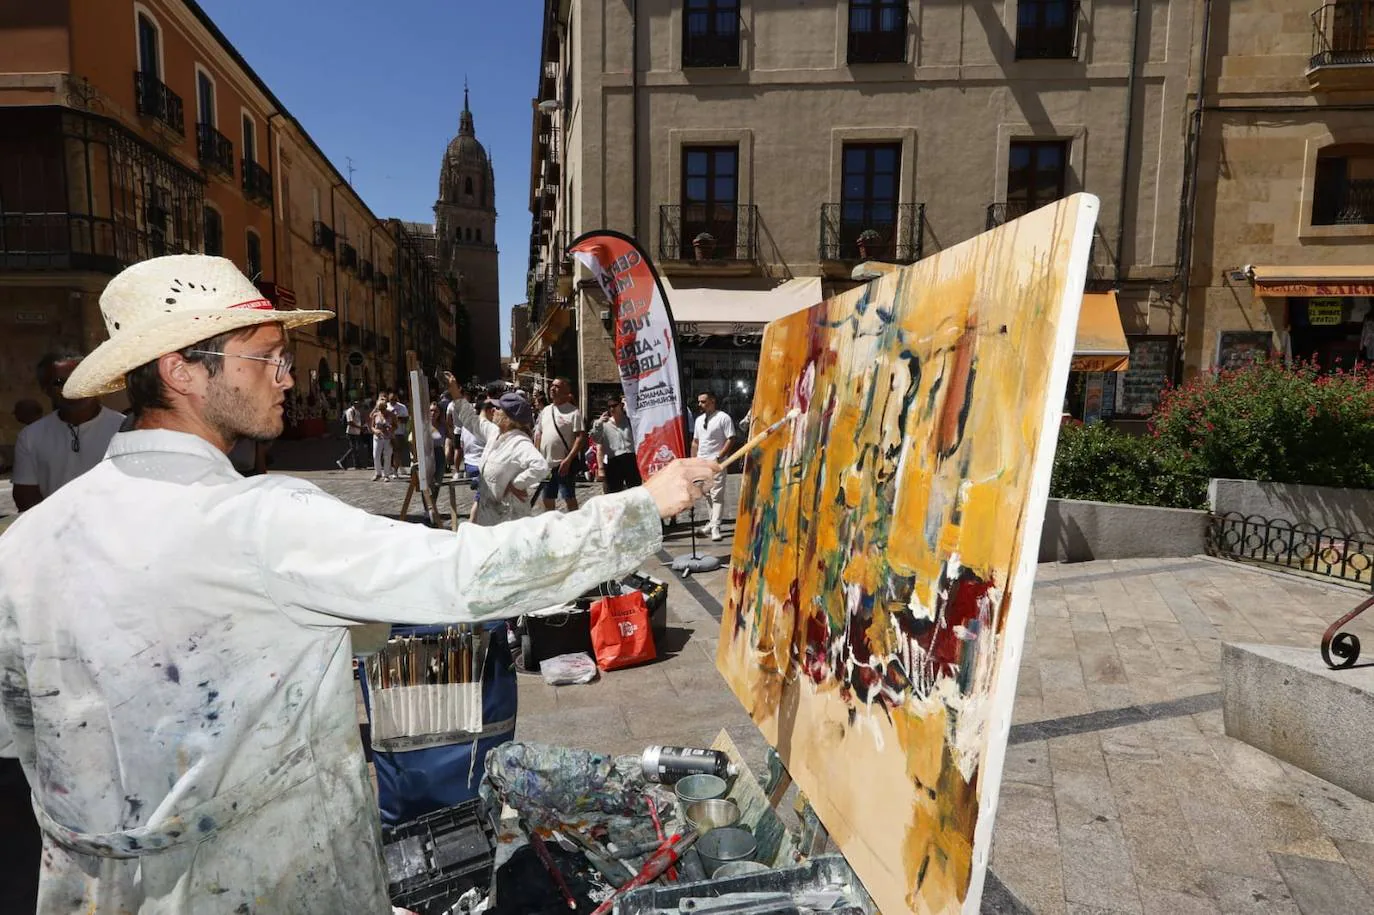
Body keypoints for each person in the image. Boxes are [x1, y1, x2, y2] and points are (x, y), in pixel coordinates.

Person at [0, 254, 719, 915]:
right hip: (270, 885)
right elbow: (465, 575)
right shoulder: (258, 521)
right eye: (268, 358)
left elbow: (24, 739)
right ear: (182, 370)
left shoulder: (27, 540)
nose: (287, 375)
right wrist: (643, 506)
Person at [11, 351, 126, 512]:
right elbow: (26, 498)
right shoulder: (31, 436)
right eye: (60, 382)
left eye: (82, 378)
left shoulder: (124, 429)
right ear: (45, 389)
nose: (74, 387)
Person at [447, 378, 550, 526]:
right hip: (489, 516)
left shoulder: (520, 442)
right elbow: (472, 421)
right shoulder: (495, 432)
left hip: (508, 521)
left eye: (499, 409)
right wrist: (455, 392)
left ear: (509, 419)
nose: (494, 411)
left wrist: (516, 484)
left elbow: (541, 466)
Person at [533, 376, 586, 512]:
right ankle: (551, 525)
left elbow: (580, 437)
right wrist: (537, 456)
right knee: (547, 498)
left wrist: (568, 460)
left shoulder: (573, 412)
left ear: (565, 391)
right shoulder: (545, 410)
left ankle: (574, 524)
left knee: (569, 497)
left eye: (557, 386)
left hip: (564, 464)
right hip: (547, 465)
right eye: (552, 386)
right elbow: (539, 434)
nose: (552, 388)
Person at [692, 390, 737, 541]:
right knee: (707, 494)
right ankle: (712, 523)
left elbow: (731, 438)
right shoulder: (699, 420)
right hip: (702, 462)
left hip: (716, 461)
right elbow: (696, 442)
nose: (700, 404)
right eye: (699, 402)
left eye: (703, 402)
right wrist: (694, 461)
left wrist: (720, 456)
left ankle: (716, 526)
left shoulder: (723, 418)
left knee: (717, 494)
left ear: (712, 401)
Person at [590, 394, 642, 494]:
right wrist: (598, 424)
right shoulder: (604, 424)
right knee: (613, 492)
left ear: (621, 405)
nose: (612, 409)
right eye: (609, 407)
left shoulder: (629, 421)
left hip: (630, 458)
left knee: (635, 491)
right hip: (613, 460)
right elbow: (597, 441)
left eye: (614, 405)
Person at [337, 397, 368, 470]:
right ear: (353, 403)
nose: (358, 404)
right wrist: (360, 427)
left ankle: (357, 464)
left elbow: (357, 421)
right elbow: (350, 422)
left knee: (356, 449)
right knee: (353, 448)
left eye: (359, 402)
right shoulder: (350, 411)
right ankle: (342, 461)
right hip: (351, 432)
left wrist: (362, 427)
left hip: (357, 432)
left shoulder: (357, 411)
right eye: (356, 403)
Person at [369, 394, 395, 481]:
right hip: (378, 437)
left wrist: (391, 428)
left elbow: (396, 425)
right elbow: (372, 426)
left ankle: (386, 474)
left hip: (388, 437)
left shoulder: (391, 415)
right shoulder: (375, 415)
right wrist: (375, 431)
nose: (382, 411)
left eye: (383, 409)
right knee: (376, 455)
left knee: (387, 456)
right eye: (380, 409)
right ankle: (378, 473)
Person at [388, 391, 410, 475]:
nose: (392, 401)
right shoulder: (386, 406)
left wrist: (397, 418)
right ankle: (389, 468)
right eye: (390, 399)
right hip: (388, 433)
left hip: (399, 432)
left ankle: (395, 470)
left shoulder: (402, 407)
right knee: (388, 452)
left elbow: (406, 419)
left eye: (394, 399)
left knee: (397, 451)